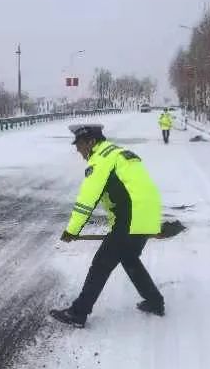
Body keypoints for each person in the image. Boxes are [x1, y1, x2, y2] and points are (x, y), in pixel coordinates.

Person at [50, 124, 165, 328]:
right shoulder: (119, 153)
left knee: (101, 264)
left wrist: (72, 230)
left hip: (131, 218)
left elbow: (87, 200)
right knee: (129, 258)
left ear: (91, 142)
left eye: (80, 146)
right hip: (147, 215)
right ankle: (155, 301)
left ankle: (78, 312)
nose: (79, 152)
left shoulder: (101, 159)